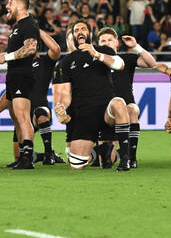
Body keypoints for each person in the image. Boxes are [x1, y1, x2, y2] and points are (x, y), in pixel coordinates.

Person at [52, 20, 132, 171]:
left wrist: (96, 54)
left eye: (83, 29)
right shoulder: (67, 62)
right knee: (76, 165)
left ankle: (125, 159)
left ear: (90, 33)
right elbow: (65, 93)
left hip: (106, 112)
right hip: (85, 115)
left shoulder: (103, 50)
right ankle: (102, 150)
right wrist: (62, 107)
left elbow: (119, 64)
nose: (80, 32)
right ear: (73, 36)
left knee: (119, 103)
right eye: (76, 30)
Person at [0, 0, 40, 169]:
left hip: (22, 75)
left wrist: (7, 56)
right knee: (16, 118)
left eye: (10, 2)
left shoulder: (29, 24)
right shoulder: (18, 27)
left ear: (20, 5)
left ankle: (27, 158)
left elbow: (31, 48)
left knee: (22, 116)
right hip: (13, 76)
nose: (7, 6)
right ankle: (21, 157)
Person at [98, 29, 157, 168]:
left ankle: (131, 157)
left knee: (132, 109)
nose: (106, 43)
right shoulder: (95, 62)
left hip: (125, 112)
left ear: (117, 43)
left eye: (110, 40)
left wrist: (136, 47)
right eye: (103, 41)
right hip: (104, 115)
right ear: (98, 44)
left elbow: (151, 63)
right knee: (105, 163)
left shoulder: (127, 58)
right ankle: (113, 153)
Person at [29, 28, 64, 165]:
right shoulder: (18, 66)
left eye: (32, 43)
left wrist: (36, 29)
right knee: (19, 156)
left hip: (40, 106)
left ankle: (48, 153)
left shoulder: (45, 62)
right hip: (24, 113)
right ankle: (43, 155)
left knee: (41, 114)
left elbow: (56, 49)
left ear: (37, 46)